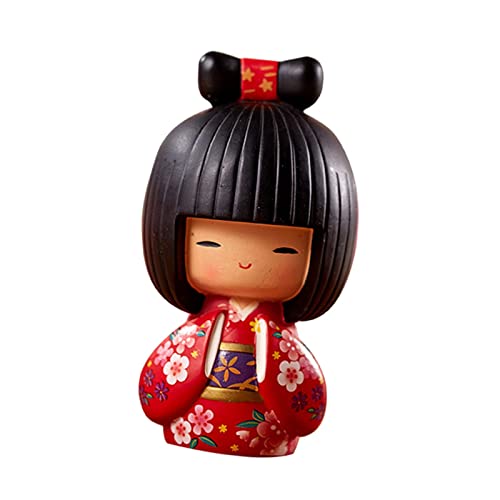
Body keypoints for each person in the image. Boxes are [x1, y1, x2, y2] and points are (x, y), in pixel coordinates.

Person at [139, 52, 358, 456]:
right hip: (191, 427)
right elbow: (157, 391)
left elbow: (306, 410)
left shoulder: (279, 337)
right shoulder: (200, 328)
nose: (245, 262)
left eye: (284, 249)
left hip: (265, 431)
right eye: (210, 243)